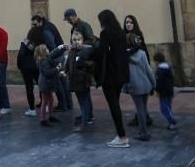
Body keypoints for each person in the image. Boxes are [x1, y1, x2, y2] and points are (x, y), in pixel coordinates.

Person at [95, 9, 130, 148]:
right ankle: (121, 135)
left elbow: (101, 53)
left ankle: (122, 136)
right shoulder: (121, 33)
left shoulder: (105, 33)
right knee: (116, 103)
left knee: (114, 105)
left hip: (109, 75)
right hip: (121, 74)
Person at [125, 34, 156, 141]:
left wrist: (125, 87)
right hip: (146, 84)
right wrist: (154, 83)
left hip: (134, 86)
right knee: (143, 107)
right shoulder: (142, 54)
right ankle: (143, 131)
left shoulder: (124, 56)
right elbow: (148, 70)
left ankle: (143, 132)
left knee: (139, 108)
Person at [63, 31, 95, 131]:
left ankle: (84, 123)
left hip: (82, 80)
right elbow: (68, 63)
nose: (76, 42)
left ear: (82, 40)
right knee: (82, 102)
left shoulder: (86, 51)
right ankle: (86, 118)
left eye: (78, 40)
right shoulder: (72, 51)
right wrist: (65, 71)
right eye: (74, 40)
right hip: (74, 81)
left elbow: (91, 64)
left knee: (84, 102)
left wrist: (85, 67)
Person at [18, 26, 42, 117]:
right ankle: (44, 105)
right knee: (41, 85)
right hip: (37, 66)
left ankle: (32, 109)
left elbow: (20, 54)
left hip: (26, 67)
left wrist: (19, 65)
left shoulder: (25, 42)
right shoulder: (40, 43)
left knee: (29, 88)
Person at [35, 44, 59, 126]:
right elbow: (47, 73)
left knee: (51, 99)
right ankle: (43, 119)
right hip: (45, 84)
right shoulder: (43, 62)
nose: (48, 50)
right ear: (43, 52)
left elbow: (53, 55)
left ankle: (51, 116)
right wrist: (57, 69)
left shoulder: (46, 60)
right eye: (47, 49)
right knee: (45, 101)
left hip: (47, 83)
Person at [153, 51, 177, 130]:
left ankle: (172, 121)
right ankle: (171, 123)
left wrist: (156, 89)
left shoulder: (160, 70)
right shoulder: (168, 67)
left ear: (157, 61)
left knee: (164, 108)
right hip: (170, 90)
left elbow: (159, 82)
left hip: (164, 92)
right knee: (168, 107)